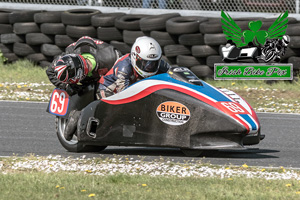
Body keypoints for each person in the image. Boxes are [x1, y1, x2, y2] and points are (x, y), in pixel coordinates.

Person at [46, 36, 121, 140]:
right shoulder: (65, 58)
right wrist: (66, 86)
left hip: (108, 74)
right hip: (84, 69)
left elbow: (124, 72)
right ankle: (79, 113)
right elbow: (50, 71)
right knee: (74, 90)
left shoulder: (111, 56)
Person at [99, 36, 171, 98]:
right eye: (145, 63)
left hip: (132, 86)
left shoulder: (160, 63)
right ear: (135, 57)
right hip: (109, 90)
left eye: (153, 63)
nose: (150, 67)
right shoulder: (124, 67)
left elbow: (173, 73)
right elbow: (123, 94)